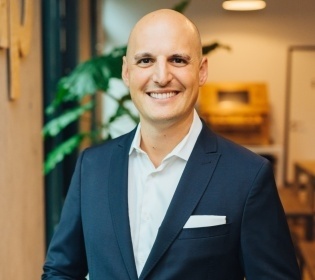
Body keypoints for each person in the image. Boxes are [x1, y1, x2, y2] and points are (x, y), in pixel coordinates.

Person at [42, 9, 301, 280]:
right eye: (145, 60)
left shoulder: (247, 176)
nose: (162, 76)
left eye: (177, 60)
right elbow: (61, 270)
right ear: (126, 72)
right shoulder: (92, 166)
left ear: (201, 71)